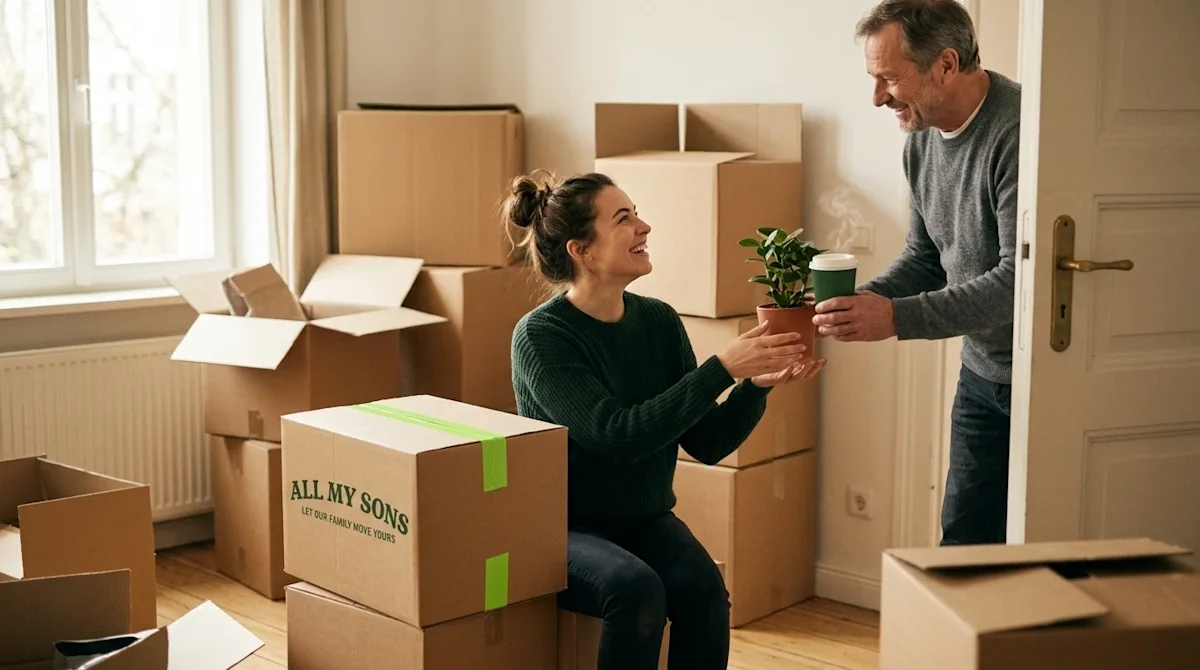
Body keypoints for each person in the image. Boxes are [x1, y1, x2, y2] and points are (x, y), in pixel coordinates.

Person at [504, 170, 825, 670]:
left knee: (704, 591)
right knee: (634, 591)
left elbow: (707, 442)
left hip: (645, 517)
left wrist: (755, 384)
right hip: (565, 527)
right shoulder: (541, 337)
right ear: (581, 251)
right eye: (624, 219)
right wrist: (721, 368)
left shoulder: (657, 320)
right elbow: (617, 435)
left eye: (636, 213)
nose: (644, 227)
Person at [812, 0, 1020, 546]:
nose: (877, 97)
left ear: (946, 65)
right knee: (963, 542)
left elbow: (1017, 284)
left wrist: (895, 318)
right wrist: (861, 303)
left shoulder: (1021, 133)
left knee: (1041, 549)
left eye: (888, 78)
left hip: (1043, 380)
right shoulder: (921, 140)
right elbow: (925, 257)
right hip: (982, 374)